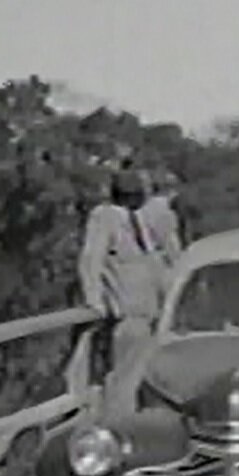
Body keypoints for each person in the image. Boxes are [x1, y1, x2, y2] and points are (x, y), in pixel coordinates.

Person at [78, 169, 169, 416]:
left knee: (149, 384)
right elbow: (90, 260)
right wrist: (94, 300)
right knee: (124, 384)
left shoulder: (140, 219)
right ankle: (120, 434)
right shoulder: (105, 217)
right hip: (128, 316)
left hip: (152, 315)